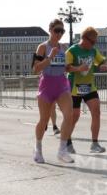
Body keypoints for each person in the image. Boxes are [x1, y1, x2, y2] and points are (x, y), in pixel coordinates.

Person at [31, 18, 75, 164]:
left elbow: (66, 67)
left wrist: (78, 68)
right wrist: (50, 57)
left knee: (69, 115)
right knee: (44, 121)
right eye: (57, 30)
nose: (59, 34)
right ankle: (38, 148)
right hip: (47, 85)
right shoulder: (42, 47)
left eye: (62, 31)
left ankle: (62, 150)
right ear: (50, 30)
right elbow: (35, 69)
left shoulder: (64, 47)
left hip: (62, 84)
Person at [65, 26, 107, 154]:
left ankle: (94, 144)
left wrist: (103, 65)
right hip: (74, 87)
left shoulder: (93, 51)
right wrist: (78, 68)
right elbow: (66, 68)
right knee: (75, 116)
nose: (94, 44)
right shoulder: (72, 51)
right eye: (92, 42)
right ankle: (67, 141)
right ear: (84, 38)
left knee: (96, 111)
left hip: (89, 87)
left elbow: (102, 60)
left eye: (95, 42)